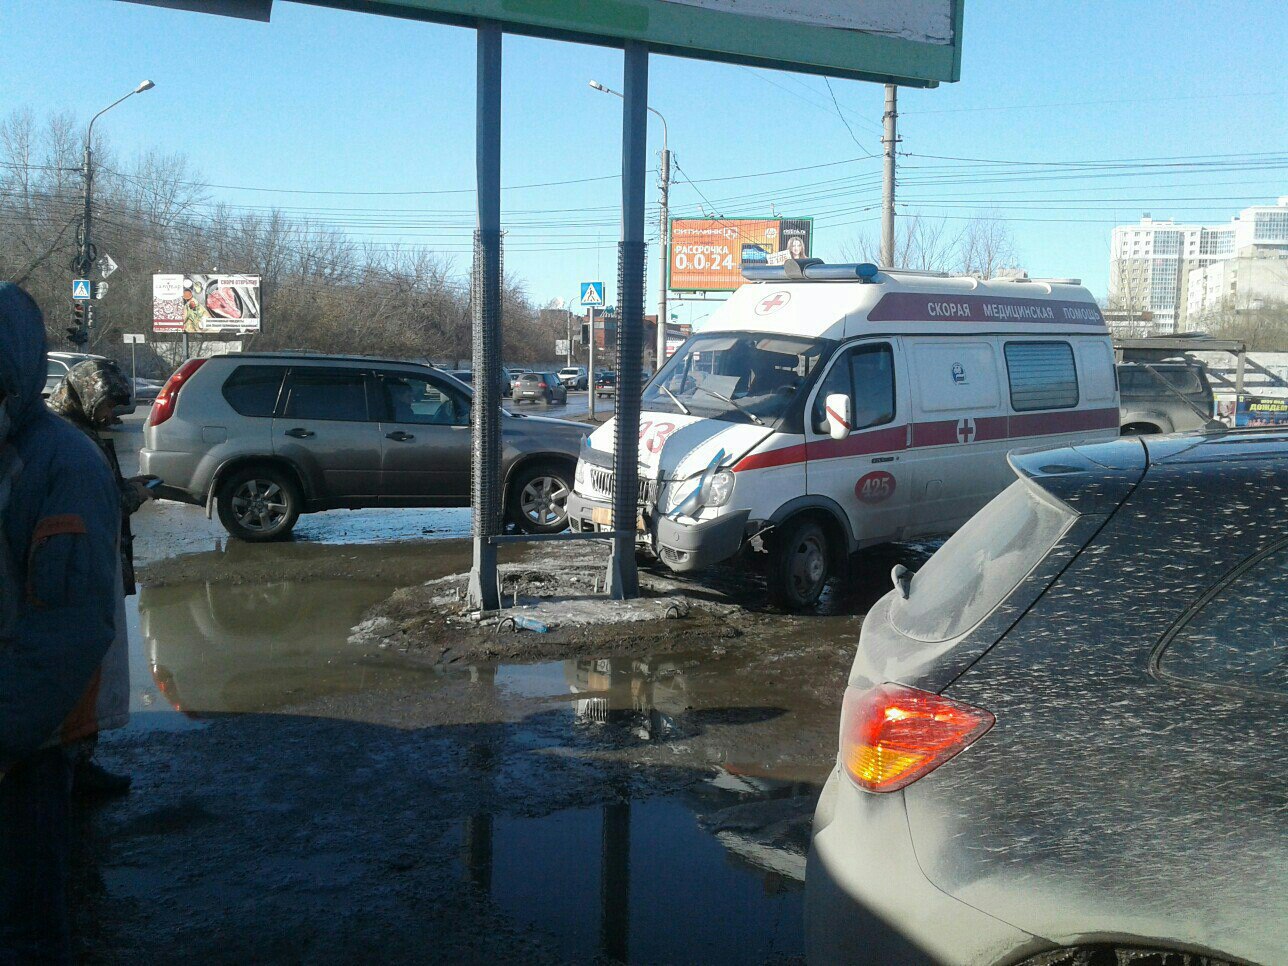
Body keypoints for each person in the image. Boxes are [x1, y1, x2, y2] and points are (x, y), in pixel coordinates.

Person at [0, 283, 121, 963]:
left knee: (24, 928)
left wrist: (7, 730)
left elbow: (69, 626)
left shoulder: (60, 462)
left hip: (23, 751)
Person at [48, 359, 155, 798]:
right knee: (79, 672)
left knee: (89, 670)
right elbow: (94, 505)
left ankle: (78, 763)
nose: (115, 415)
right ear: (88, 394)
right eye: (110, 404)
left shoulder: (74, 434)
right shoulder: (65, 441)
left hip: (89, 569)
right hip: (76, 576)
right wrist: (134, 493)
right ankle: (69, 771)